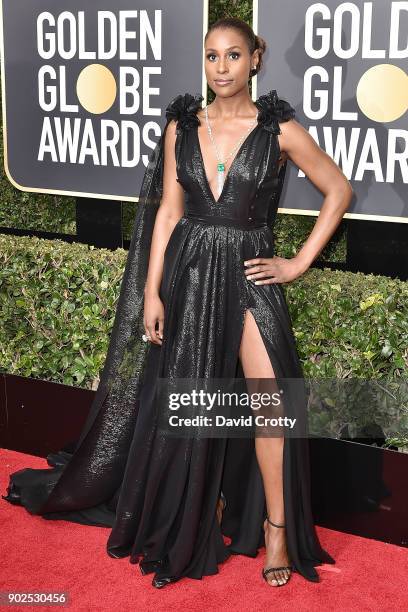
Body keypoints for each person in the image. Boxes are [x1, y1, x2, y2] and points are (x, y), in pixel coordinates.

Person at [2, 17, 352, 589]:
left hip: (249, 275)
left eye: (233, 56)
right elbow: (167, 211)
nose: (221, 68)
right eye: (212, 56)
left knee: (271, 409)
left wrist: (296, 262)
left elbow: (338, 189)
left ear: (255, 59)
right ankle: (193, 517)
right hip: (190, 273)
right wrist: (150, 290)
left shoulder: (279, 129)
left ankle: (278, 529)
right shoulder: (181, 125)